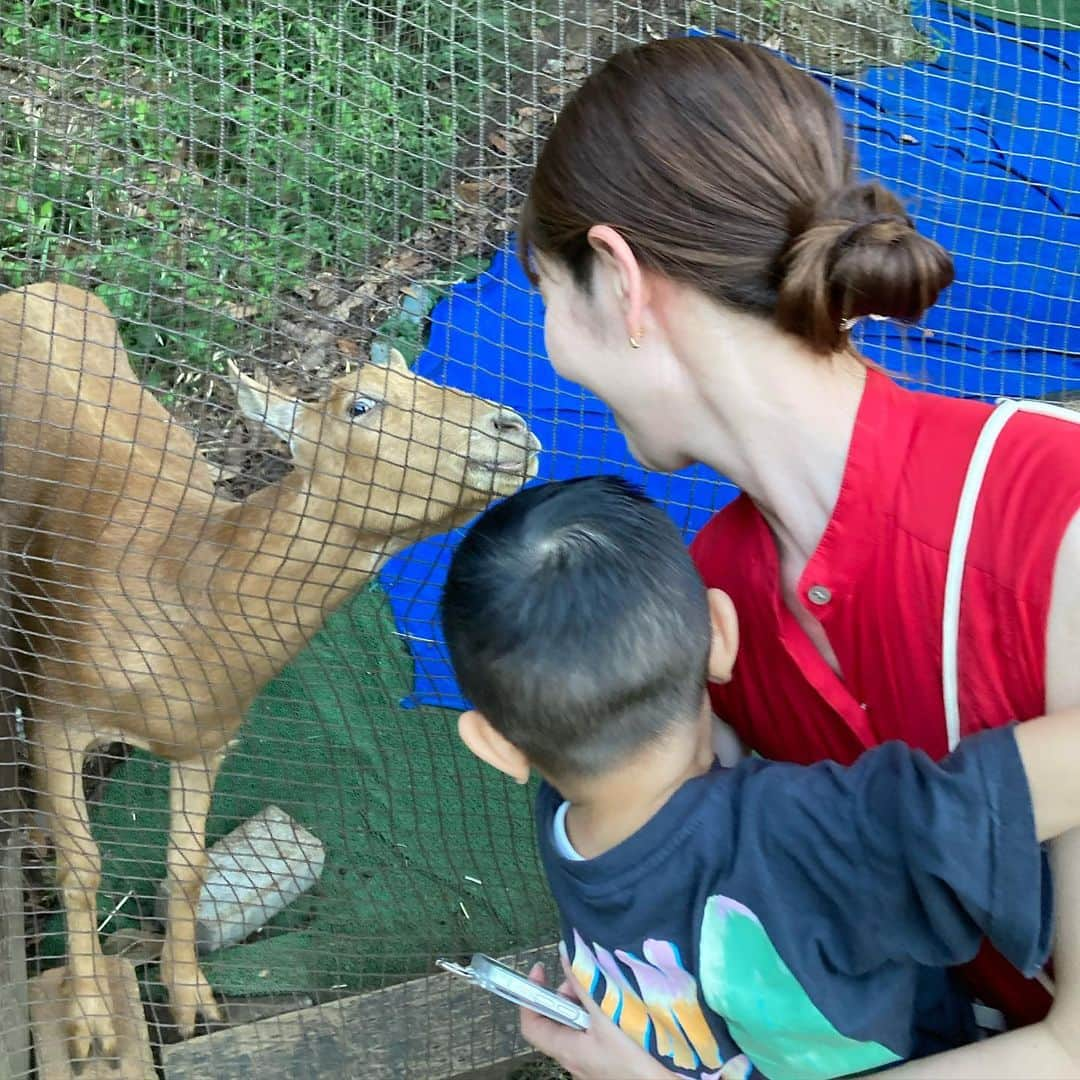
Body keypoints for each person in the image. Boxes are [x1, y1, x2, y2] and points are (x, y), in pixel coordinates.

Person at [515, 32, 1080, 1078]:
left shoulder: (1054, 510)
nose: (548, 340)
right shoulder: (715, 602)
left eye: (547, 293)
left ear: (622, 281)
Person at [439, 473, 1078, 1080]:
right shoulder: (801, 836)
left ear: (496, 745)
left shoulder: (565, 823)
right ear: (721, 633)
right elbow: (988, 801)